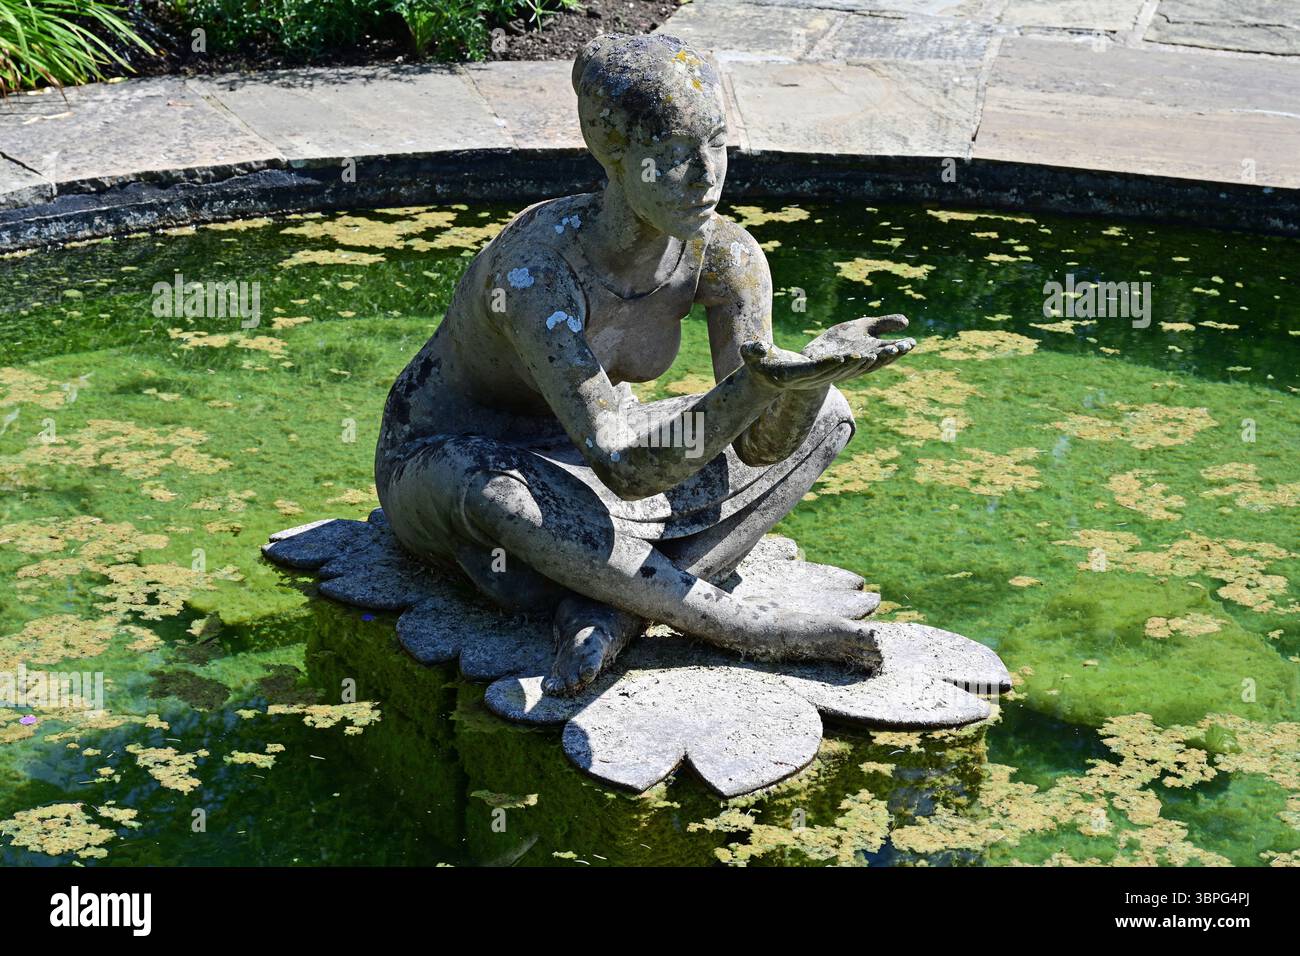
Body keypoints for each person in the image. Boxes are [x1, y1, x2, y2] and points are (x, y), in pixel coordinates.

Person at [375, 33, 913, 695]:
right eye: (675, 153)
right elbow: (625, 469)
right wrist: (757, 384)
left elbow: (761, 446)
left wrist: (804, 386)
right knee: (496, 492)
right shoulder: (536, 271)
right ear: (613, 148)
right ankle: (743, 627)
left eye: (717, 142)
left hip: (583, 471)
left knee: (833, 415)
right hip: (452, 463)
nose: (707, 173)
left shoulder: (728, 255)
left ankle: (612, 608)